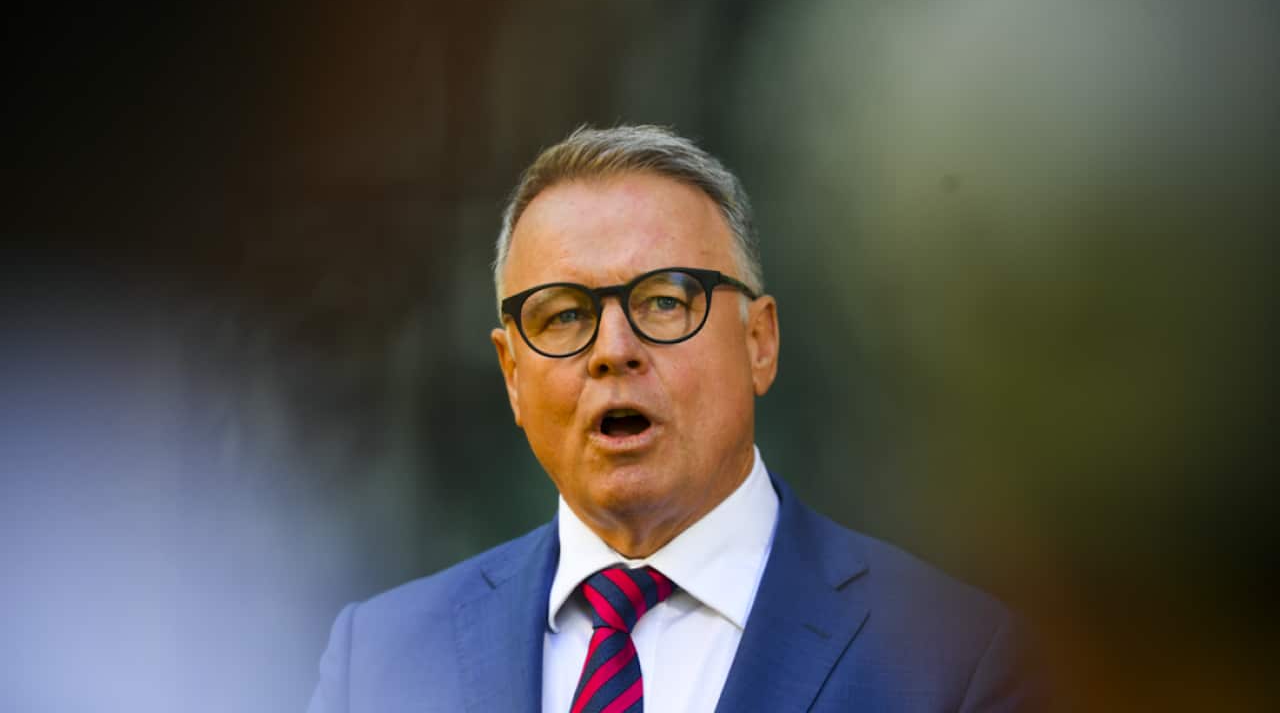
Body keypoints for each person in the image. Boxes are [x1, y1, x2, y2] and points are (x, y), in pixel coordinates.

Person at [306, 125, 1041, 712]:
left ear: (760, 342)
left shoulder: (952, 660)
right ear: (512, 376)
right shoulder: (380, 659)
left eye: (663, 301)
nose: (613, 351)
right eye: (563, 315)